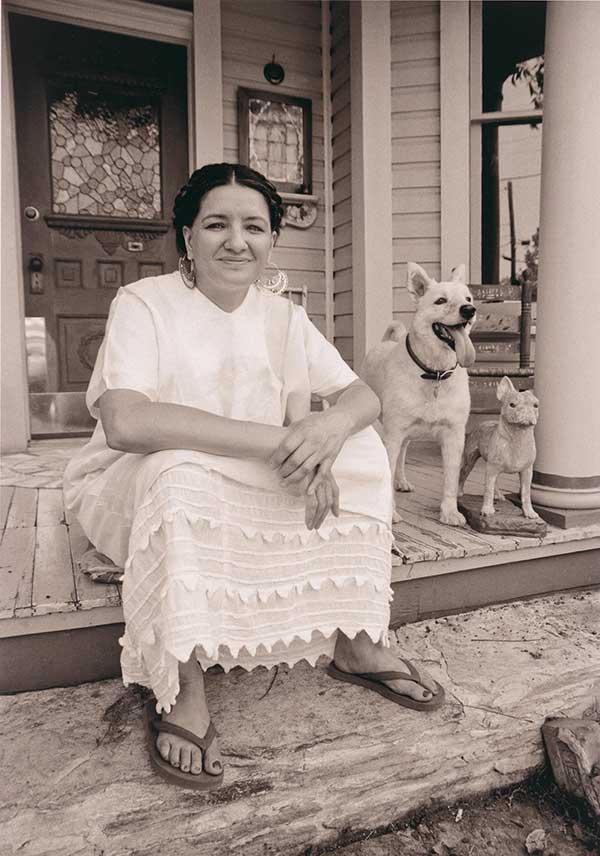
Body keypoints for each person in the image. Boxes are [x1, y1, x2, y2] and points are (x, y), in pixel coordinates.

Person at [64, 163, 444, 790]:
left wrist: (327, 432)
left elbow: (360, 396)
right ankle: (180, 679)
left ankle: (355, 639)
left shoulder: (283, 317)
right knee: (176, 469)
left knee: (365, 454)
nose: (236, 240)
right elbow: (128, 424)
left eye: (254, 226)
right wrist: (286, 443)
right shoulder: (145, 302)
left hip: (250, 466)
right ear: (187, 236)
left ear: (271, 240)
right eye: (216, 224)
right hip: (142, 472)